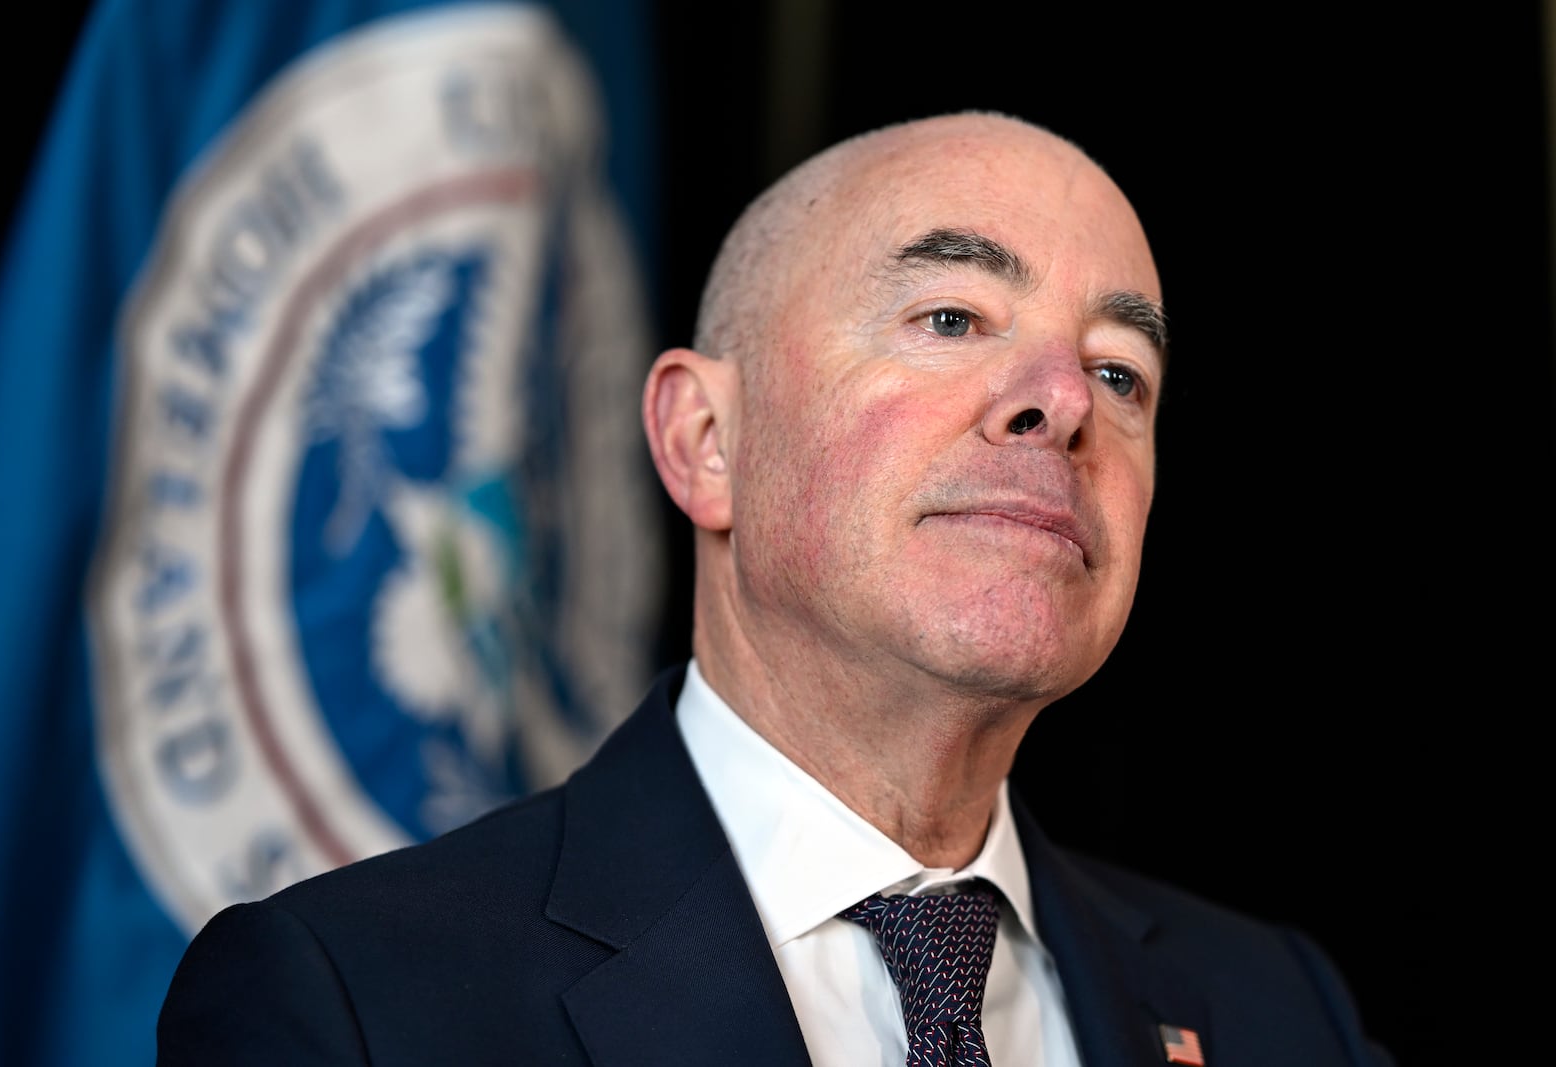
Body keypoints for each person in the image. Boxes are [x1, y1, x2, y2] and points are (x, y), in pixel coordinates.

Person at [158, 112, 1391, 1066]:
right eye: (952, 315)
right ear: (705, 438)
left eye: (1120, 373)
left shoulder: (1280, 1012)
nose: (1062, 399)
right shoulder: (360, 1000)